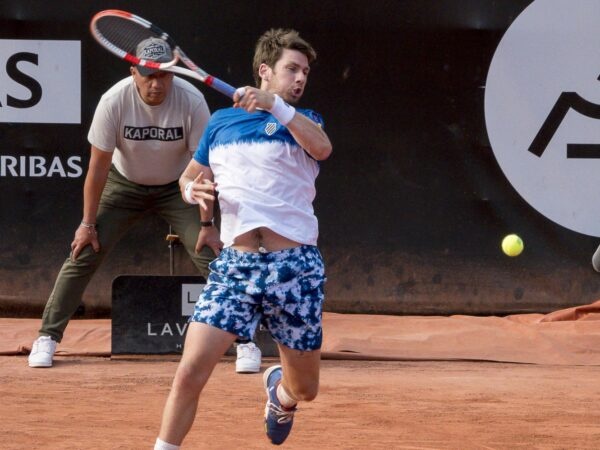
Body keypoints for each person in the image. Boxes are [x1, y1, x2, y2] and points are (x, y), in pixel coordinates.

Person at [27, 37, 261, 373]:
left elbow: (204, 170)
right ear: (133, 72)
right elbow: (97, 169)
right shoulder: (114, 101)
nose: (156, 83)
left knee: (214, 257)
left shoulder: (192, 101)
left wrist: (208, 226)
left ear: (172, 73)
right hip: (125, 186)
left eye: (163, 75)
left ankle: (246, 341)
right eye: (147, 75)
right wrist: (87, 223)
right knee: (84, 250)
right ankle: (47, 338)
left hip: (179, 187)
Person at [154, 28, 332, 449]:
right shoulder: (221, 124)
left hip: (296, 268)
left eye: (305, 71)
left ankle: (281, 395)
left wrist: (275, 105)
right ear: (265, 70)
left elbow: (322, 149)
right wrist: (190, 190)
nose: (300, 78)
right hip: (236, 266)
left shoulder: (304, 123)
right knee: (190, 370)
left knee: (306, 388)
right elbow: (191, 177)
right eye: (292, 69)